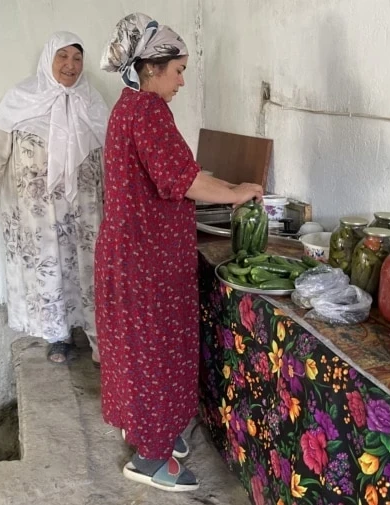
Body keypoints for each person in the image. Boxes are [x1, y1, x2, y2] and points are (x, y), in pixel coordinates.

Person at [96, 13, 263, 492]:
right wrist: (237, 192)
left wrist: (219, 183)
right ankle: (150, 458)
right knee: (155, 353)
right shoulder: (148, 110)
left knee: (137, 351)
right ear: (151, 67)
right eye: (178, 70)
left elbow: (170, 172)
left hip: (130, 253)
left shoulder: (128, 106)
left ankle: (150, 430)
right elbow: (182, 180)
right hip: (147, 260)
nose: (182, 81)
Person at [0, 32, 108, 365]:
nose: (70, 65)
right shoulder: (21, 99)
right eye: (62, 56)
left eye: (77, 58)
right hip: (40, 216)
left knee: (91, 272)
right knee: (50, 272)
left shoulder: (92, 102)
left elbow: (110, 158)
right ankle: (59, 337)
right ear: (48, 59)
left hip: (85, 213)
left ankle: (100, 340)